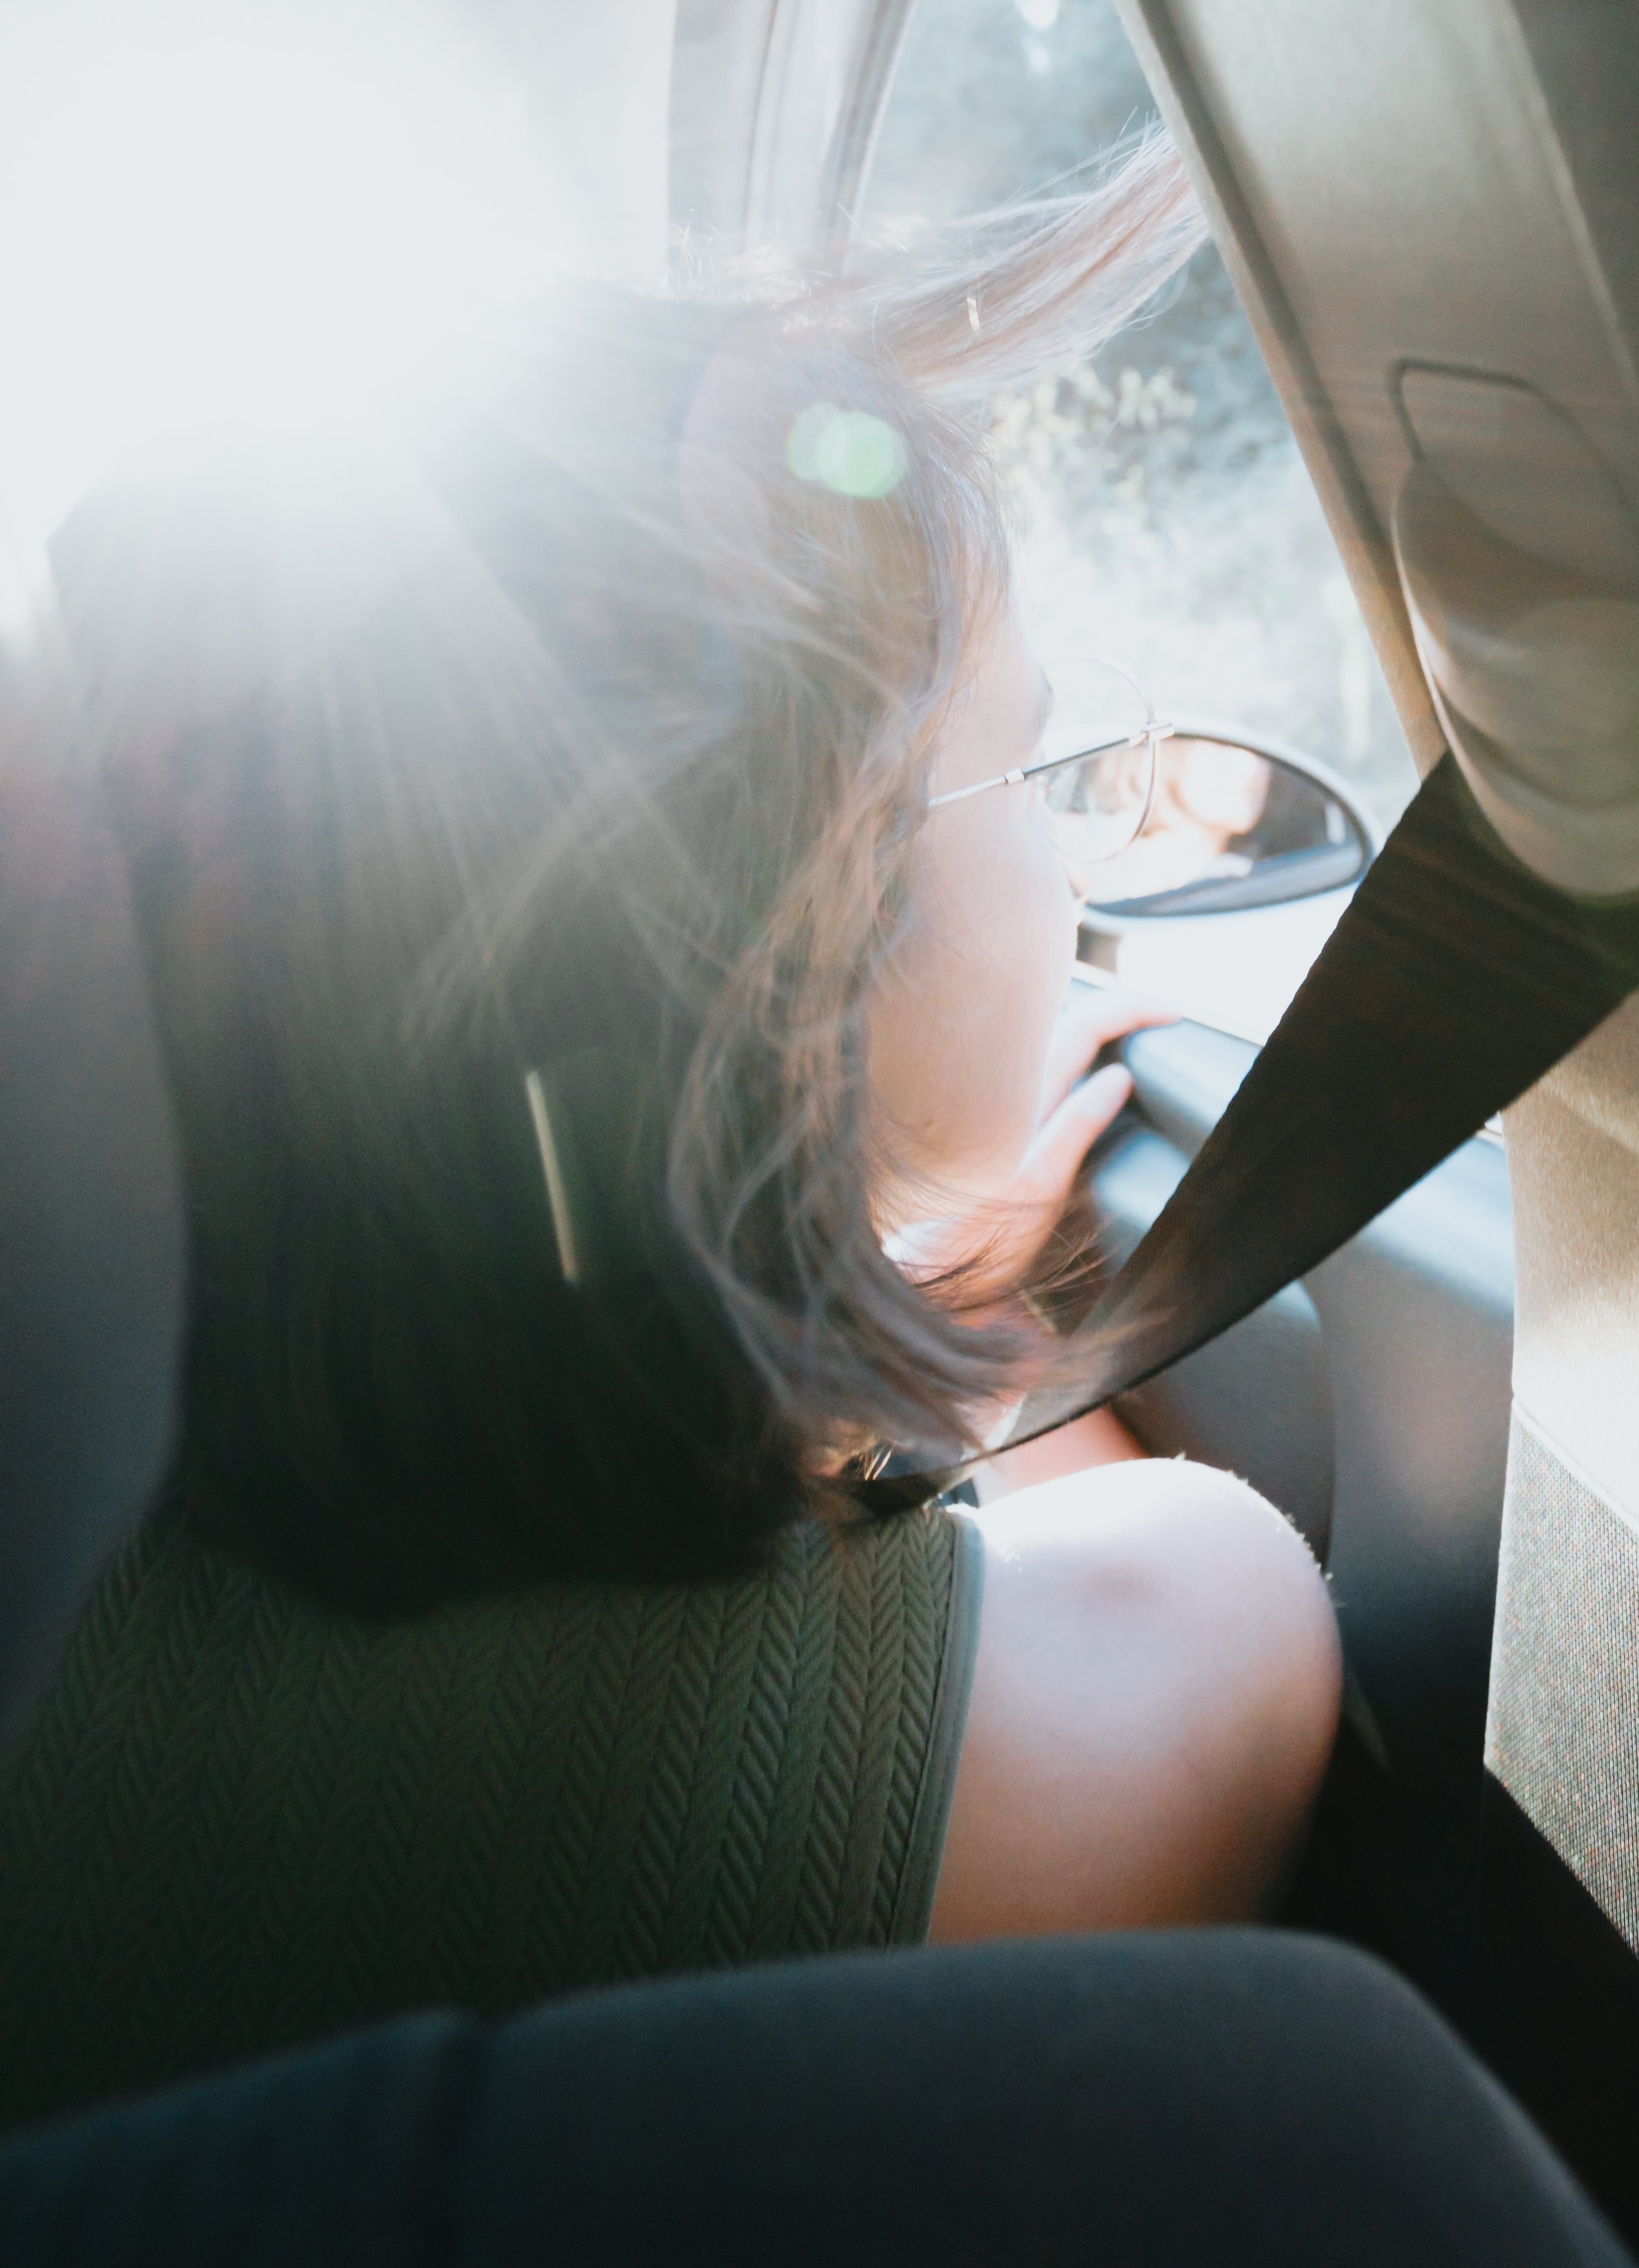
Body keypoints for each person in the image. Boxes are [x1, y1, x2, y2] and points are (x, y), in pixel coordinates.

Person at [0, 139, 1338, 2122]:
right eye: (1034, 763)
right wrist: (910, 1321)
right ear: (797, 943)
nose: (1071, 853)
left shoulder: (66, 1614)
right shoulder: (1155, 1665)